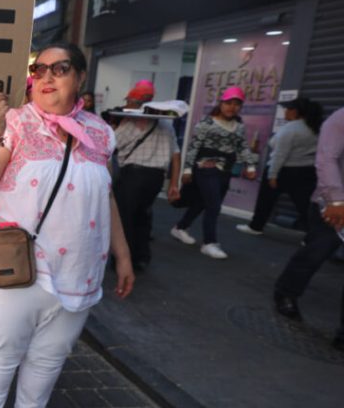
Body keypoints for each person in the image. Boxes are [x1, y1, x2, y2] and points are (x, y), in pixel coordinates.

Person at [0, 43, 133, 408]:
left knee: (50, 356)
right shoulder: (16, 121)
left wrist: (123, 253)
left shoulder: (100, 133)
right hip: (15, 268)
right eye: (40, 70)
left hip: (80, 269)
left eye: (61, 68)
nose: (48, 77)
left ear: (81, 78)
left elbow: (105, 195)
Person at [272, 106, 343, 345]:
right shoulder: (340, 119)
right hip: (334, 205)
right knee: (316, 252)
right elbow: (326, 158)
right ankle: (286, 292)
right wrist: (336, 200)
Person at [170, 86, 258, 259]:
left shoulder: (239, 126)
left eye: (237, 104)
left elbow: (242, 147)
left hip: (225, 170)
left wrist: (251, 166)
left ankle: (180, 227)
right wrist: (187, 170)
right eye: (229, 103)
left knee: (202, 202)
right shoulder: (206, 124)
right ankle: (209, 243)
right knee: (214, 205)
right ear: (221, 103)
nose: (232, 107)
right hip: (205, 168)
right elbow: (193, 148)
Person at [112, 80, 182, 271]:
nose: (126, 104)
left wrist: (114, 126)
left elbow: (111, 144)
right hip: (156, 178)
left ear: (136, 101)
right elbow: (176, 155)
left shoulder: (131, 121)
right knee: (143, 216)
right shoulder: (166, 123)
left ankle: (123, 260)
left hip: (133, 175)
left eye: (129, 100)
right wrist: (174, 183)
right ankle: (141, 257)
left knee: (125, 218)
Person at [238, 97, 322, 235]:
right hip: (307, 171)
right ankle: (313, 236)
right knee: (305, 205)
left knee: (265, 201)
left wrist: (272, 175)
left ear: (295, 111)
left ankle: (256, 227)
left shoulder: (290, 129)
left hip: (283, 170)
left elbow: (280, 155)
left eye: (287, 109)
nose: (285, 112)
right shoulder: (315, 128)